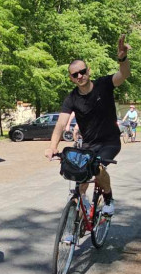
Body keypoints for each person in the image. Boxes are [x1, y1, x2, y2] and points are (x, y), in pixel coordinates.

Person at [45, 34, 131, 216]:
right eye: (75, 74)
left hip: (110, 142)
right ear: (71, 78)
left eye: (82, 71)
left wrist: (122, 58)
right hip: (89, 144)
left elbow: (124, 74)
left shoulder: (104, 85)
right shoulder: (72, 98)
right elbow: (60, 123)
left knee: (97, 168)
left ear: (88, 70)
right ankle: (77, 217)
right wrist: (53, 146)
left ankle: (108, 197)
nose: (80, 76)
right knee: (79, 176)